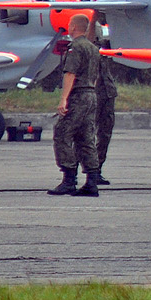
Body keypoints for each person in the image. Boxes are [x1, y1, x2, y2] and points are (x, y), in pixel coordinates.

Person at [49, 12, 103, 197]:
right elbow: (95, 75)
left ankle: (69, 178)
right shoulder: (93, 48)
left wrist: (64, 98)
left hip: (78, 95)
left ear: (73, 27)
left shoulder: (76, 48)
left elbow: (70, 73)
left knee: (62, 133)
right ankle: (92, 181)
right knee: (85, 138)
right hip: (91, 95)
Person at [91, 15, 117, 186]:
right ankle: (82, 169)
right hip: (91, 95)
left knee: (105, 133)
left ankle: (97, 169)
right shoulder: (83, 49)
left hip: (107, 93)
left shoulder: (106, 48)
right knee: (86, 134)